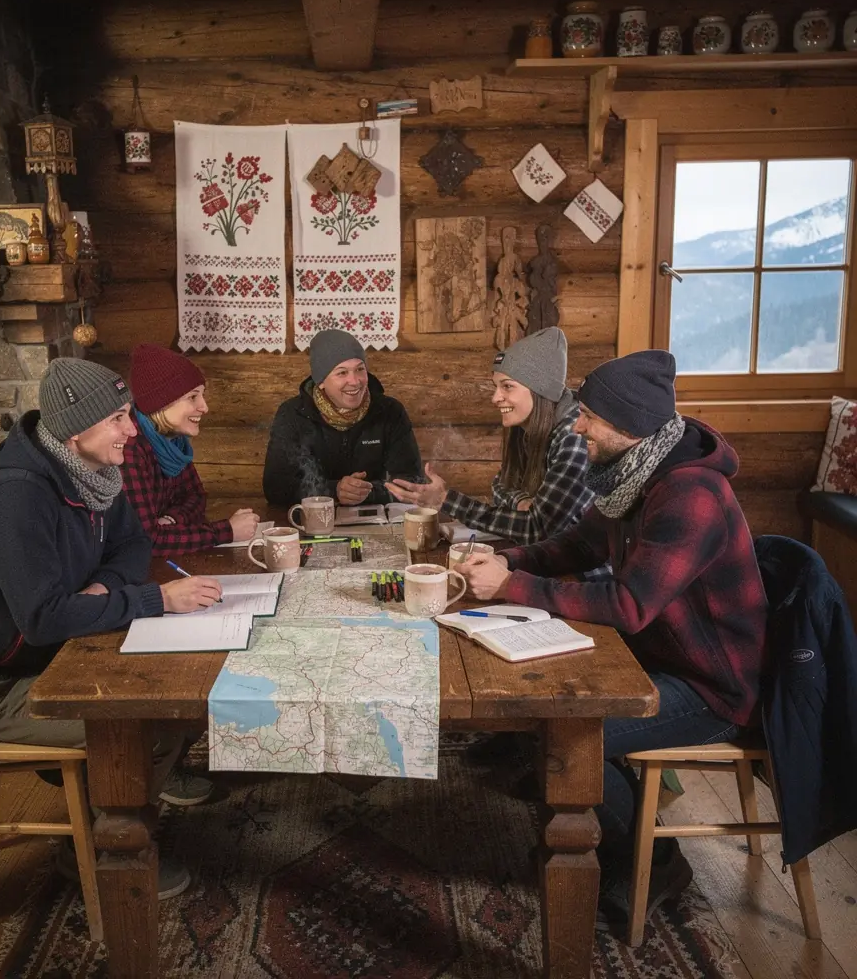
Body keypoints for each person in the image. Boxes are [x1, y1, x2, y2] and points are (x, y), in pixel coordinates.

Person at [457, 350, 768, 933]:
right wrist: (507, 560)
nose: (576, 426)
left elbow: (630, 605)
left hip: (714, 688)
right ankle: (598, 826)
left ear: (629, 426)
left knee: (571, 735)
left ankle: (656, 864)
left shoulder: (691, 494)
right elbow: (577, 546)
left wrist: (511, 587)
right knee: (544, 713)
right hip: (661, 657)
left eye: (589, 418)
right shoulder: (635, 474)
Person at [0, 357, 222, 897]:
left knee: (182, 689)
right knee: (151, 723)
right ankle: (103, 849)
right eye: (118, 418)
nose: (131, 430)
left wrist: (102, 587)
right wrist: (153, 598)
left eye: (128, 415)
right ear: (75, 431)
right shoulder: (18, 496)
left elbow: (134, 542)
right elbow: (43, 618)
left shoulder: (92, 473)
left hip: (57, 654)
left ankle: (119, 803)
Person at [386, 327, 594, 546]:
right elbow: (500, 486)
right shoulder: (529, 424)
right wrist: (521, 501)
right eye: (496, 387)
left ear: (540, 390)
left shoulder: (575, 437)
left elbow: (537, 529)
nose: (495, 398)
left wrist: (446, 500)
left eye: (507, 387)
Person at [124, 343, 260, 555]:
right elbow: (147, 540)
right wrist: (227, 531)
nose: (204, 407)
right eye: (192, 397)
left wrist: (171, 519)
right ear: (161, 402)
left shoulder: (172, 440)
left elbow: (196, 497)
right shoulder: (130, 448)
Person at [263, 328, 422, 506]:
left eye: (360, 369)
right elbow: (275, 487)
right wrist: (335, 490)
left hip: (377, 518)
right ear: (321, 381)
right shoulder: (293, 414)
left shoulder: (390, 411)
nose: (355, 381)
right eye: (342, 373)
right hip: (313, 519)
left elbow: (412, 481)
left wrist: (365, 492)